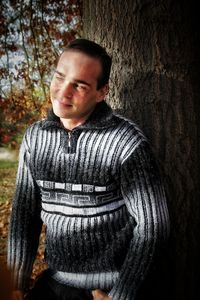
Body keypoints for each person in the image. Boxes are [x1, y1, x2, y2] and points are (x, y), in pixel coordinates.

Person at [7, 38, 170, 300]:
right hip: (54, 281)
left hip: (106, 287)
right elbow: (25, 216)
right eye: (60, 77)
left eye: (79, 85)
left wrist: (122, 294)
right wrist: (15, 283)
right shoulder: (35, 138)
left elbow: (153, 225)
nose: (63, 92)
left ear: (101, 92)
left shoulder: (125, 142)